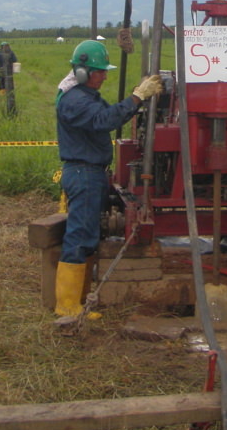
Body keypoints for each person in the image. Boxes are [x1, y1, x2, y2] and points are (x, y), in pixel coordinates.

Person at [54, 39, 163, 318]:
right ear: (83, 72)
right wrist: (137, 97)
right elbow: (104, 120)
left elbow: (105, 115)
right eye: (101, 71)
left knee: (88, 235)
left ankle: (78, 301)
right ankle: (66, 306)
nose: (105, 76)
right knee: (79, 236)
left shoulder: (84, 95)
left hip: (90, 173)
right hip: (83, 174)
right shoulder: (76, 100)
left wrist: (135, 100)